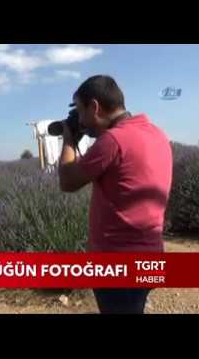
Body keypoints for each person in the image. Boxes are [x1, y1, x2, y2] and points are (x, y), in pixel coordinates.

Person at [58, 75, 173, 314]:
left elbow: (67, 181)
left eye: (80, 111)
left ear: (95, 107)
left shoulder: (113, 140)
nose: (80, 120)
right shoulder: (158, 134)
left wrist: (69, 140)